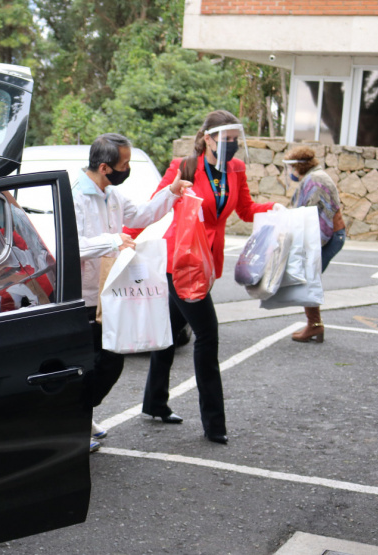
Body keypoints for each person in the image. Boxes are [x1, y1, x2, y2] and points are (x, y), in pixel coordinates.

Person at [140, 110, 281, 445]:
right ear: (207, 138)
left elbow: (245, 211)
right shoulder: (183, 167)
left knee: (171, 332)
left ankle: (154, 402)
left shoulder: (236, 169)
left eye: (235, 140)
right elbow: (156, 206)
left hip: (207, 262)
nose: (231, 145)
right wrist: (124, 237)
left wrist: (274, 208)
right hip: (182, 261)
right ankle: (214, 424)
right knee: (207, 336)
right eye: (225, 139)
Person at [74, 133, 190, 452]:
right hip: (83, 297)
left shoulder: (111, 194)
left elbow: (141, 216)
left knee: (111, 362)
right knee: (92, 363)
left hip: (109, 293)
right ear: (104, 167)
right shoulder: (75, 197)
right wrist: (112, 241)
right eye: (124, 164)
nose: (127, 169)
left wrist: (171, 192)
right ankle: (77, 420)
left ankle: (81, 414)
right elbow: (69, 246)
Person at [283, 146, 346, 343]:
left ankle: (314, 326)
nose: (291, 172)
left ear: (300, 166)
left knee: (308, 277)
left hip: (330, 236)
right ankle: (314, 325)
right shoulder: (312, 178)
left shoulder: (315, 180)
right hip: (330, 235)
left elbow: (315, 217)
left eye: (293, 167)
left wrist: (306, 246)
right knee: (308, 277)